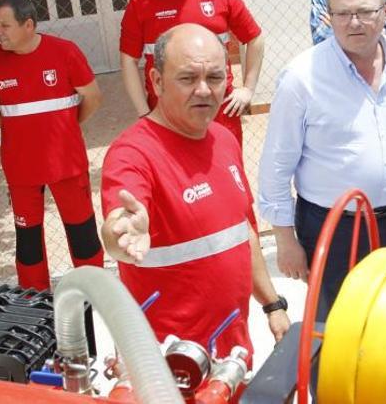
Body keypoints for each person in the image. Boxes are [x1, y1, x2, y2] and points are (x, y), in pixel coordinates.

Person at [259, 0, 386, 320]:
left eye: (365, 12)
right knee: (336, 328)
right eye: (342, 13)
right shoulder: (301, 78)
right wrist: (285, 239)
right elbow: (276, 167)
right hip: (332, 229)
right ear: (329, 16)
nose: (353, 22)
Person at [101, 24, 288, 361]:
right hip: (168, 364)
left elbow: (242, 233)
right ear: (157, 81)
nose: (204, 90)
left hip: (232, 353)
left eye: (215, 78)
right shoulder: (133, 153)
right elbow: (120, 226)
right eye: (187, 79)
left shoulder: (223, 139)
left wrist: (273, 304)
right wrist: (123, 233)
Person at [0, 0, 103, 291]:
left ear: (28, 25)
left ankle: (93, 294)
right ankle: (34, 301)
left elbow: (93, 97)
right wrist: (21, 131)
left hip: (67, 164)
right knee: (28, 239)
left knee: (82, 232)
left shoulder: (65, 52)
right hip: (21, 168)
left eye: (5, 25)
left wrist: (66, 126)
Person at [119, 0, 264, 145]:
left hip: (219, 114)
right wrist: (143, 113)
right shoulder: (141, 3)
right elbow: (128, 60)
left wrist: (248, 89)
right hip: (167, 117)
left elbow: (255, 38)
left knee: (225, 175)